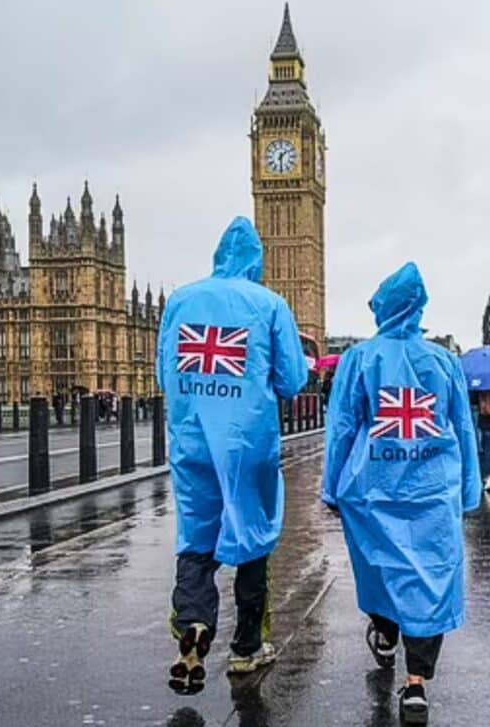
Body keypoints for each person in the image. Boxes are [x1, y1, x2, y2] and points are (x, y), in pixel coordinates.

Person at [322, 262, 481, 726]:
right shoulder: (444, 360)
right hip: (432, 489)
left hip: (373, 487)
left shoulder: (359, 358)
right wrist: (469, 489)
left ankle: (386, 632)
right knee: (430, 578)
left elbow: (343, 429)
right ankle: (416, 684)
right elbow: (463, 428)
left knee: (381, 567)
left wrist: (332, 486)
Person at [156, 216, 308, 694]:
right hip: (248, 445)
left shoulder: (180, 299)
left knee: (196, 539)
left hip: (192, 440)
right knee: (253, 539)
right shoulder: (269, 304)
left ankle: (194, 625)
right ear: (257, 262)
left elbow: (164, 372)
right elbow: (292, 379)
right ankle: (246, 648)